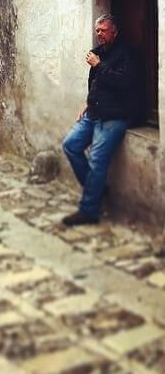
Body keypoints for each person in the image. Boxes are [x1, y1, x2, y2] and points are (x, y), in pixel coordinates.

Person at [61, 14, 142, 226]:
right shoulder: (97, 53)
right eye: (97, 30)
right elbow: (95, 83)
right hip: (94, 112)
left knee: (97, 160)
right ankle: (98, 188)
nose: (99, 34)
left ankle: (89, 211)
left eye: (103, 30)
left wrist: (99, 65)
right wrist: (88, 101)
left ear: (114, 31)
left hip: (115, 116)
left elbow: (125, 83)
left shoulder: (126, 53)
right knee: (70, 145)